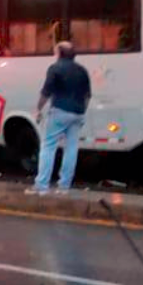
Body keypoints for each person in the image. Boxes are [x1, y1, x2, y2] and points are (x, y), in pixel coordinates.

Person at [28, 42, 91, 195]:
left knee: (48, 146)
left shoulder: (55, 68)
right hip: (78, 112)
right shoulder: (82, 70)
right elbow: (87, 95)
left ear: (59, 53)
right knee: (71, 148)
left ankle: (41, 186)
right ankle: (64, 187)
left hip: (60, 111)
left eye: (55, 52)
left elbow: (46, 91)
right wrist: (82, 111)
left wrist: (38, 109)